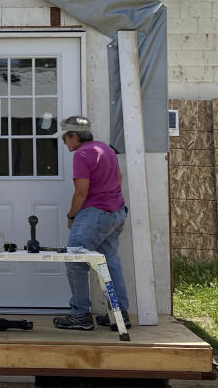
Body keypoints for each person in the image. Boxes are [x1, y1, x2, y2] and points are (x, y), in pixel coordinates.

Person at [52, 115, 132, 331]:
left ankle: (80, 315)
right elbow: (119, 178)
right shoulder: (105, 149)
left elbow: (81, 192)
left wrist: (71, 216)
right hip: (116, 212)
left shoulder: (82, 154)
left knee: (75, 261)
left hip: (95, 215)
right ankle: (120, 314)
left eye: (64, 138)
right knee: (110, 262)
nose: (64, 142)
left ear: (74, 136)